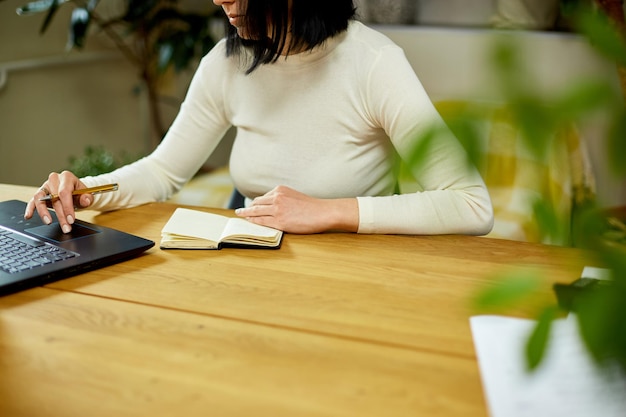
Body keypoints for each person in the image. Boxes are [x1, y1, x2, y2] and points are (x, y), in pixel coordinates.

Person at [25, 0, 494, 236]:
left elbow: (472, 204)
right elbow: (163, 172)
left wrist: (328, 211)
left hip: (351, 268)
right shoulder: (225, 63)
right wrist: (92, 189)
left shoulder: (373, 63)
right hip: (252, 258)